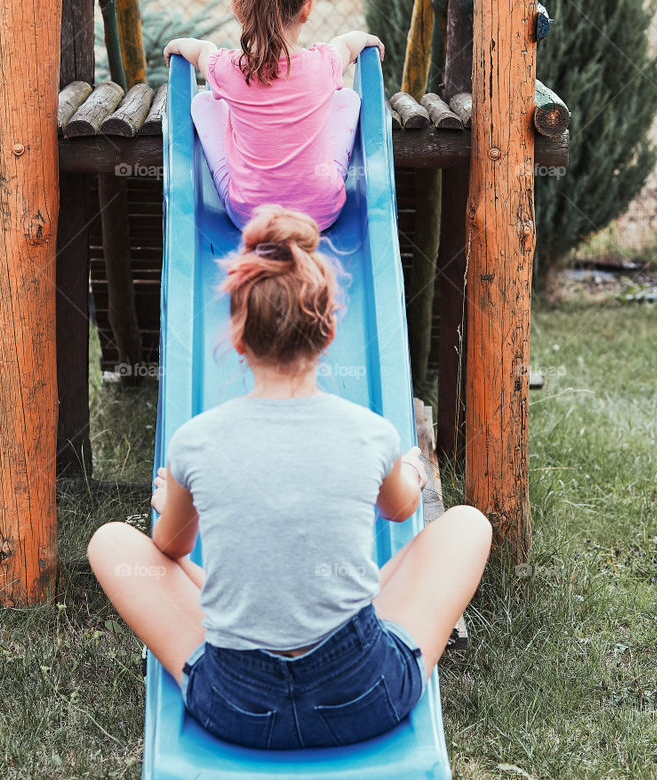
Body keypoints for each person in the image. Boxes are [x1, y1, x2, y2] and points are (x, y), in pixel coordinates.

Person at [88, 205, 492, 750]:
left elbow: (168, 547)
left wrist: (177, 500)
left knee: (112, 542)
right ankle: (293, 614)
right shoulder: (371, 434)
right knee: (466, 525)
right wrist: (414, 471)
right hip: (365, 697)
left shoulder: (197, 441)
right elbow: (399, 510)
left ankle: (246, 616)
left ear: (237, 337)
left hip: (236, 708)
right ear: (328, 334)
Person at [163, 0, 384, 232]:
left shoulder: (227, 69)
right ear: (307, 8)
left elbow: (201, 52)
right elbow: (346, 44)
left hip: (250, 217)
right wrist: (366, 38)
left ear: (238, 8)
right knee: (347, 98)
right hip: (321, 212)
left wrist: (179, 45)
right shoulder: (324, 64)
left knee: (205, 102)